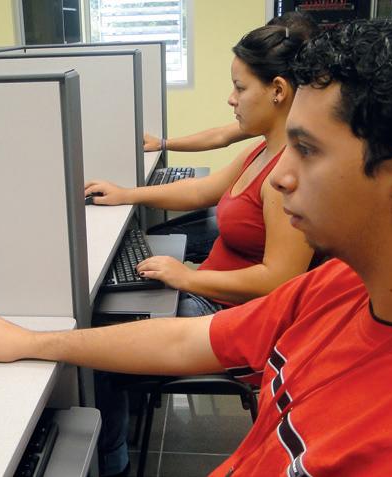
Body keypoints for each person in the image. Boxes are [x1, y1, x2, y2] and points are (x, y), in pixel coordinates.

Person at [0, 15, 392, 475]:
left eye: (306, 150)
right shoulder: (342, 284)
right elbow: (188, 339)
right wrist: (32, 343)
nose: (280, 177)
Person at [86, 21, 318, 318]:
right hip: (208, 291)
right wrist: (126, 194)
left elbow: (279, 279)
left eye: (240, 88)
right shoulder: (261, 150)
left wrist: (187, 277)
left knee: (105, 317)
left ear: (278, 90)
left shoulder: (288, 175)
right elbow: (201, 191)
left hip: (227, 310)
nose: (231, 98)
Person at [142, 12, 318, 154]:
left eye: (240, 88)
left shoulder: (311, 136)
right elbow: (220, 136)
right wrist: (162, 144)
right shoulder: (273, 125)